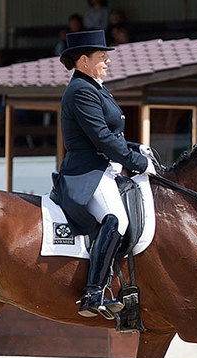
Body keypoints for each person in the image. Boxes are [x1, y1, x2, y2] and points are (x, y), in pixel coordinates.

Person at [55, 30, 157, 318]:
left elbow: (112, 134)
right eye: (102, 57)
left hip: (104, 167)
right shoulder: (81, 91)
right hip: (89, 170)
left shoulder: (95, 86)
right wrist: (136, 162)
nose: (108, 61)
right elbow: (101, 139)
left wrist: (138, 148)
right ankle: (93, 292)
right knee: (116, 219)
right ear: (84, 60)